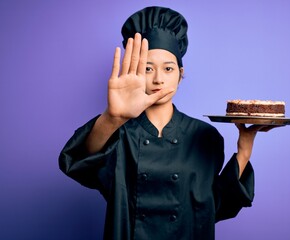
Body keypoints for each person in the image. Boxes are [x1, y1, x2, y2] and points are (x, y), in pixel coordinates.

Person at [59, 6, 276, 240]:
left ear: (181, 74)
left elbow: (215, 207)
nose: (158, 79)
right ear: (134, 72)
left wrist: (244, 150)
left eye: (168, 68)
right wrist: (112, 118)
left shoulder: (205, 136)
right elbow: (81, 165)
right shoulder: (118, 133)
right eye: (147, 68)